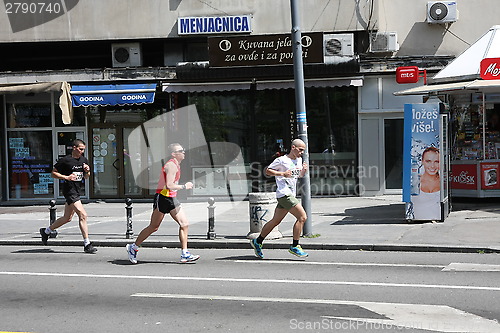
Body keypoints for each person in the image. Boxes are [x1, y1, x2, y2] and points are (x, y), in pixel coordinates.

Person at [126, 143, 200, 264]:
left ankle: (185, 253)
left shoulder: (176, 164)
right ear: (173, 154)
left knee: (184, 223)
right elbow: (170, 185)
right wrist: (184, 186)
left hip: (171, 198)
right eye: (181, 150)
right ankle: (133, 247)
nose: (184, 152)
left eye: (183, 150)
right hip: (163, 198)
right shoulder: (171, 165)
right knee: (154, 227)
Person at [250, 138, 309, 259]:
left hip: (290, 194)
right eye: (300, 150)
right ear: (293, 148)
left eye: (303, 150)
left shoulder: (299, 160)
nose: (302, 152)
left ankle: (258, 241)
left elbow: (298, 175)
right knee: (302, 217)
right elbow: (267, 171)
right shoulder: (281, 160)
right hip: (284, 194)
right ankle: (295, 246)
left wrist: (303, 171)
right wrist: (282, 174)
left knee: (275, 221)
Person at [39, 139, 97, 254]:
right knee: (83, 215)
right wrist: (66, 177)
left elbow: (86, 177)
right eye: (80, 149)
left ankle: (46, 231)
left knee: (67, 218)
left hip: (77, 191)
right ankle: (87, 244)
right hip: (69, 191)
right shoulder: (65, 160)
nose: (82, 152)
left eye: (83, 150)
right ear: (74, 148)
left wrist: (88, 171)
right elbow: (53, 173)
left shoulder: (83, 160)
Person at [412, 146, 441, 220]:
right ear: (422, 161)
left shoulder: (444, 181)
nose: (432, 166)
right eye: (428, 161)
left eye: (436, 162)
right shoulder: (415, 181)